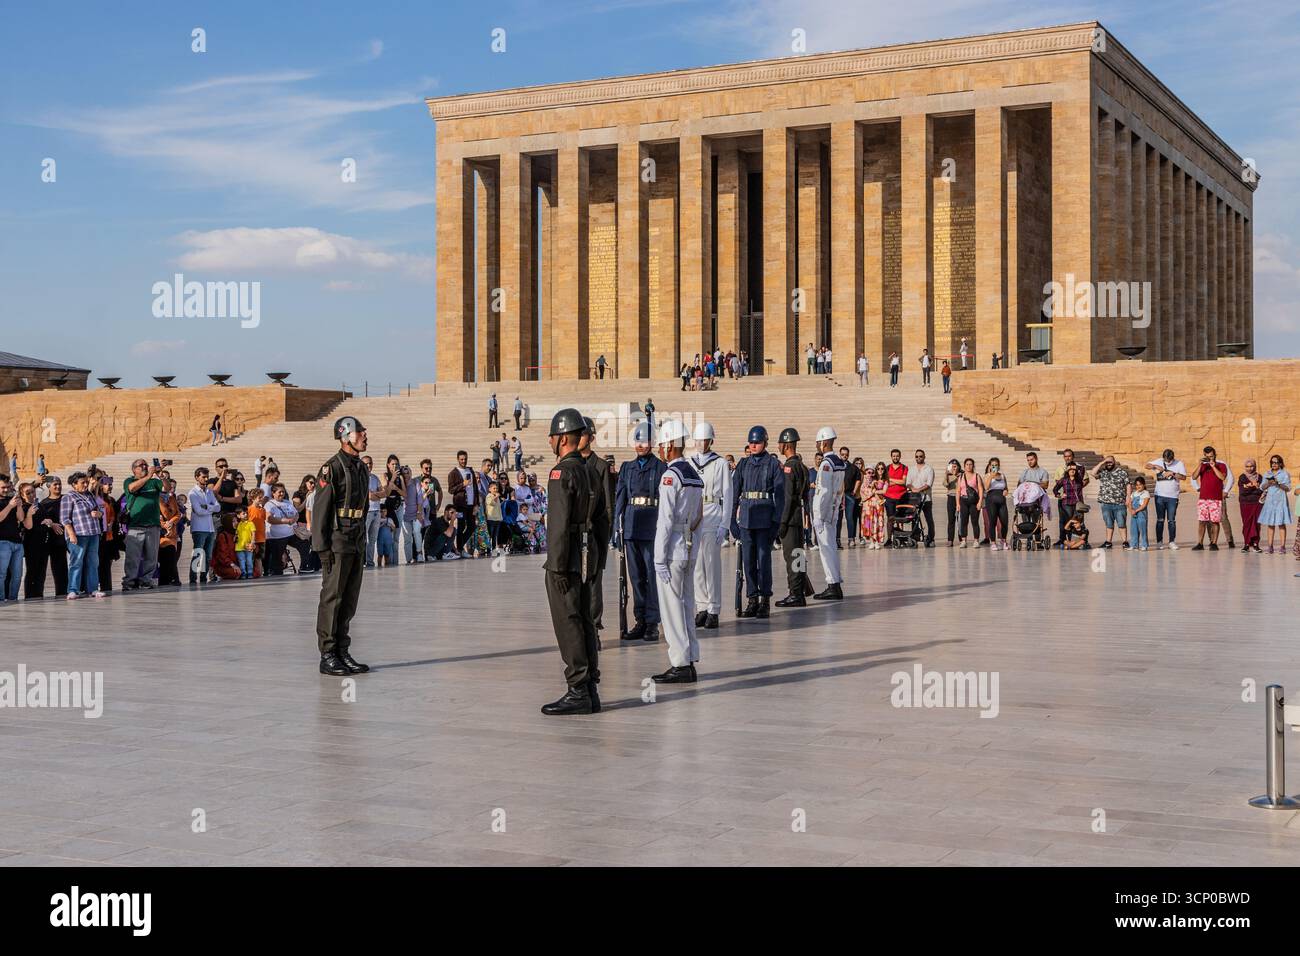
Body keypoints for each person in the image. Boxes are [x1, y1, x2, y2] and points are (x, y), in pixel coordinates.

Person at [540, 407, 600, 716]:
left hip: (567, 558)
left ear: (563, 438)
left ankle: (578, 688)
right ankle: (590, 687)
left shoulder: (561, 473)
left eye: (552, 436)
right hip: (588, 555)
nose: (549, 441)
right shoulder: (591, 469)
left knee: (568, 622)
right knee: (585, 620)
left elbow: (558, 525)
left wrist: (557, 565)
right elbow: (602, 519)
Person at [311, 416, 372, 676]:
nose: (365, 435)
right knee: (333, 597)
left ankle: (342, 650)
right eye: (360, 431)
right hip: (337, 540)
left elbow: (364, 505)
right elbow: (320, 511)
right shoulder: (332, 468)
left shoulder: (361, 467)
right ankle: (327, 654)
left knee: (349, 599)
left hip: (356, 538)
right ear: (346, 436)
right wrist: (322, 548)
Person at [651, 419, 705, 684]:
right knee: (686, 605)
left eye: (662, 444)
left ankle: (680, 663)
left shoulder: (670, 476)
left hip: (673, 547)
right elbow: (699, 515)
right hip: (690, 544)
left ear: (670, 445)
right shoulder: (694, 474)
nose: (660, 449)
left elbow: (665, 520)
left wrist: (659, 558)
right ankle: (690, 656)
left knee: (672, 608)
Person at [614, 421, 667, 641]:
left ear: (652, 443)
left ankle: (652, 622)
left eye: (644, 441)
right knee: (636, 577)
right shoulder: (627, 468)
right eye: (637, 441)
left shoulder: (661, 468)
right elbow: (620, 499)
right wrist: (616, 529)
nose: (640, 445)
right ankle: (640, 620)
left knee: (652, 576)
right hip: (631, 526)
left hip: (652, 526)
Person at [732, 425, 783, 618]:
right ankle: (752, 599)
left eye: (757, 442)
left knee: (763, 560)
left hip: (764, 519)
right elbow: (734, 493)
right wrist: (732, 520)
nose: (753, 446)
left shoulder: (773, 464)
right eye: (751, 442)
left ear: (765, 443)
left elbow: (780, 496)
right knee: (748, 561)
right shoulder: (743, 464)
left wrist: (776, 522)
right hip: (746, 518)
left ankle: (765, 600)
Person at [691, 421, 733, 629]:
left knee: (711, 565)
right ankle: (701, 606)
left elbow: (728, 493)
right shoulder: (690, 462)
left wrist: (725, 524)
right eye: (698, 440)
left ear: (711, 441)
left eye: (705, 440)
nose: (701, 444)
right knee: (697, 565)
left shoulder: (720, 463)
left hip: (713, 513)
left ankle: (714, 609)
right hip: (695, 516)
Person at [578, 417, 613, 631]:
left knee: (593, 580)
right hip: (576, 531)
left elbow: (608, 504)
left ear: (591, 438)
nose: (579, 438)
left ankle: (594, 625)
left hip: (594, 532)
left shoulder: (600, 466)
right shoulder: (570, 464)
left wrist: (604, 536)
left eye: (583, 434)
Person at [774, 428, 815, 607]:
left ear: (786, 445)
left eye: (780, 443)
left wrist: (782, 522)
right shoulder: (802, 466)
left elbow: (788, 497)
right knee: (798, 555)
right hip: (798, 515)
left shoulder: (790, 467)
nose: (778, 446)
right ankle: (800, 592)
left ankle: (795, 593)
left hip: (790, 518)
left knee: (792, 557)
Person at [810, 427, 845, 599]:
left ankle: (833, 584)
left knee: (826, 549)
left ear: (824, 443)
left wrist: (818, 516)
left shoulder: (826, 464)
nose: (818, 446)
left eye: (819, 443)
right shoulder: (839, 462)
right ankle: (835, 583)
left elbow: (823, 491)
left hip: (824, 513)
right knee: (830, 547)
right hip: (833, 510)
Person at [122, 458, 164, 590]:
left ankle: (146, 580)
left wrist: (161, 475)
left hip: (153, 525)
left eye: (146, 464)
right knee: (132, 557)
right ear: (134, 469)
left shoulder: (154, 482)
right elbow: (132, 488)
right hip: (136, 525)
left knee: (151, 556)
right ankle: (129, 582)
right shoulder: (129, 481)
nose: (145, 466)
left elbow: (166, 488)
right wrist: (148, 476)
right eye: (141, 465)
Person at [61, 472, 104, 599]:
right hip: (79, 534)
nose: (85, 485)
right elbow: (64, 518)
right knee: (76, 563)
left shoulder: (90, 495)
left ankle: (93, 589)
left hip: (93, 533)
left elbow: (100, 510)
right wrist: (71, 534)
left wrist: (99, 514)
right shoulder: (69, 497)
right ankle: (73, 589)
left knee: (93, 562)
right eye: (82, 483)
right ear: (74, 484)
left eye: (86, 482)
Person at [25, 475, 68, 598]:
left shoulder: (66, 499)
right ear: (49, 487)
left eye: (59, 484)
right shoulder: (44, 504)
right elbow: (25, 491)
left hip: (61, 540)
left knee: (61, 568)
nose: (58, 486)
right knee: (38, 569)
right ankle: (34, 595)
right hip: (45, 541)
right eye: (55, 484)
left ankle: (62, 593)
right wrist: (52, 524)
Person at [1145, 449, 1186, 550]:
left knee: (1171, 520)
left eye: (1169, 461)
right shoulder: (1159, 461)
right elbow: (1146, 465)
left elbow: (1183, 477)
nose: (1167, 462)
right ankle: (1159, 542)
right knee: (1160, 519)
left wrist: (1172, 473)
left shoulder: (1179, 463)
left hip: (1173, 496)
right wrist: (1156, 467)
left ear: (1173, 458)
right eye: (1166, 460)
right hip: (1159, 496)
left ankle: (1172, 542)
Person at [1190, 447, 1228, 551]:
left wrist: (1213, 466)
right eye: (1207, 457)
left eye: (1211, 456)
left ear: (1215, 455)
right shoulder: (1203, 466)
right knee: (1202, 521)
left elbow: (1222, 477)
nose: (1209, 458)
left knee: (1215, 521)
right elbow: (1193, 477)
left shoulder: (1221, 465)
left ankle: (1214, 543)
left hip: (1216, 498)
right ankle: (1200, 543)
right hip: (1203, 498)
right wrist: (1199, 464)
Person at [0, 478, 32, 601]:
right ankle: (1, 599)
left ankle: (13, 598)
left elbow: (21, 518)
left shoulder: (11, 499)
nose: (6, 490)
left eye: (7, 487)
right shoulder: (9, 503)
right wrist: (10, 506)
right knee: (1, 574)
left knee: (18, 575)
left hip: (17, 543)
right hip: (2, 542)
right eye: (3, 487)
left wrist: (18, 505)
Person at [187, 467, 220, 583]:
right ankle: (193, 578)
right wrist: (211, 509)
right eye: (203, 477)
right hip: (199, 528)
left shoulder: (209, 492)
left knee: (208, 555)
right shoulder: (193, 493)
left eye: (207, 477)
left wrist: (206, 507)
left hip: (210, 528)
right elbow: (198, 511)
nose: (206, 479)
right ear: (197, 478)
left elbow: (218, 507)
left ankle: (203, 577)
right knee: (198, 554)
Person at [1092, 455, 1131, 549]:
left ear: (1114, 462)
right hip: (1106, 503)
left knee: (1121, 523)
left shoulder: (1122, 472)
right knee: (1109, 524)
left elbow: (1128, 485)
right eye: (1107, 462)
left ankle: (1125, 542)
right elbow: (1093, 473)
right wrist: (1102, 462)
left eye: (1110, 462)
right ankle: (1108, 542)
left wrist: (1128, 497)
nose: (1109, 464)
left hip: (1119, 503)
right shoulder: (1103, 472)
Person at [1258, 454, 1292, 553]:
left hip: (1281, 502)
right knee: (1270, 524)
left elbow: (1288, 488)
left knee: (1281, 524)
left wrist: (1278, 484)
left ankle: (1282, 546)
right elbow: (1262, 487)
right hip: (1270, 502)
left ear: (1280, 463)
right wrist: (1269, 483)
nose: (1274, 464)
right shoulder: (1267, 473)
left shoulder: (1285, 474)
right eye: (1272, 462)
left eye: (1276, 462)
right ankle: (1270, 546)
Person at [448, 451, 477, 556]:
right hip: (460, 505)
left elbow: (475, 488)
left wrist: (476, 504)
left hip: (471, 504)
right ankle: (460, 549)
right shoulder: (453, 473)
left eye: (465, 459)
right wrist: (462, 484)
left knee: (472, 526)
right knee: (461, 526)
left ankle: (459, 547)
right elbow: (451, 490)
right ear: (458, 459)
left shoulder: (471, 471)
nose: (464, 461)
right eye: (461, 459)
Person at [264, 484, 296, 575]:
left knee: (304, 544)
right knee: (277, 559)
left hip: (291, 533)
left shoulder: (287, 502)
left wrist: (294, 519)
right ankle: (276, 573)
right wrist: (285, 521)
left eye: (283, 492)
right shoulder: (269, 504)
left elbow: (296, 513)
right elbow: (269, 519)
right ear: (273, 493)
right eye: (280, 492)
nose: (282, 494)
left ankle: (305, 566)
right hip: (276, 536)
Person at [1052, 463, 1086, 550]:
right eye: (1070, 469)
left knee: (1079, 521)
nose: (1072, 471)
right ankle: (1070, 540)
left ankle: (1078, 540)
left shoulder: (1079, 479)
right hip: (1067, 503)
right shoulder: (1064, 480)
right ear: (1067, 471)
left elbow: (1082, 468)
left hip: (1078, 504)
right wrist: (1059, 495)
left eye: (1074, 469)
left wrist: (1074, 466)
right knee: (1069, 522)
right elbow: (1055, 489)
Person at [908, 449, 936, 547]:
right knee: (914, 518)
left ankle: (931, 538)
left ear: (924, 457)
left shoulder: (929, 469)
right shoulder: (911, 469)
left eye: (920, 456)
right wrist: (913, 489)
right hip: (915, 498)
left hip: (926, 498)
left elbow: (929, 484)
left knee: (929, 519)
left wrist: (918, 489)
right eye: (917, 456)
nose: (918, 458)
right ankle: (915, 537)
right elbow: (908, 483)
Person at [158, 478, 182, 586]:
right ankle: (167, 579)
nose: (168, 488)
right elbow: (155, 515)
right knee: (165, 557)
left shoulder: (171, 498)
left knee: (171, 556)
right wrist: (164, 524)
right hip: (161, 533)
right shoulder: (156, 498)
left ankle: (171, 579)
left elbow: (178, 514)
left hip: (171, 532)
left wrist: (171, 522)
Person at [956, 458, 983, 548]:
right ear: (964, 466)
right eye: (967, 464)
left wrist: (980, 502)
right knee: (964, 521)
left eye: (970, 464)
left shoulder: (977, 476)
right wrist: (958, 504)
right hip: (963, 500)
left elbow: (980, 489)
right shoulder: (961, 477)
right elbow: (958, 491)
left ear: (973, 466)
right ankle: (964, 540)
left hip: (974, 501)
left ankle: (976, 540)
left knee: (975, 521)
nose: (969, 466)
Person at [983, 458, 1009, 549]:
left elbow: (1006, 488)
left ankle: (1003, 540)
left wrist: (1006, 491)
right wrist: (991, 476)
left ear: (999, 466)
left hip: (1001, 501)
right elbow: (986, 487)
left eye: (996, 465)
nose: (994, 466)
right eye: (993, 465)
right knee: (992, 521)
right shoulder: (987, 475)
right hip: (991, 501)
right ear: (990, 466)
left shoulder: (1002, 476)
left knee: (1004, 521)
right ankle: (993, 542)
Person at [862, 462, 887, 549]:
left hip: (879, 504)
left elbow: (884, 491)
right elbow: (864, 490)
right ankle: (872, 541)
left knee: (878, 522)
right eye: (878, 468)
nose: (880, 470)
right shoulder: (871, 479)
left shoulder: (885, 480)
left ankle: (877, 541)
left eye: (882, 468)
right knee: (870, 522)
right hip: (870, 504)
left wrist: (874, 492)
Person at [883, 449, 908, 525]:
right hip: (889, 497)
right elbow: (886, 483)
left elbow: (903, 482)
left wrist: (891, 479)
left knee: (900, 519)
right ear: (891, 457)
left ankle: (900, 532)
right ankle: (890, 533)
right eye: (894, 456)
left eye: (897, 456)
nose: (895, 458)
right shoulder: (887, 468)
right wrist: (898, 481)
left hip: (901, 497)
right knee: (890, 518)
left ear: (900, 457)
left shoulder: (904, 467)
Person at [1128, 477, 1151, 551]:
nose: (1138, 486)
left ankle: (1144, 545)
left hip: (1141, 513)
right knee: (1133, 529)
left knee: (1142, 529)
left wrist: (1136, 510)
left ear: (1144, 485)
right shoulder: (1134, 493)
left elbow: (1144, 505)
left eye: (1140, 484)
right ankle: (1134, 545)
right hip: (1133, 513)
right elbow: (1130, 502)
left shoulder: (1146, 493)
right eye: (1137, 485)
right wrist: (1131, 510)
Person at [943, 459, 960, 546]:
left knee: (960, 519)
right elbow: (946, 484)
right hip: (951, 497)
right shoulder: (948, 475)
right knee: (951, 519)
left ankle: (962, 539)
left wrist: (958, 476)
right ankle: (950, 540)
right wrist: (946, 475)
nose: (954, 468)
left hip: (960, 498)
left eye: (955, 466)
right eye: (952, 466)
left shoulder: (962, 475)